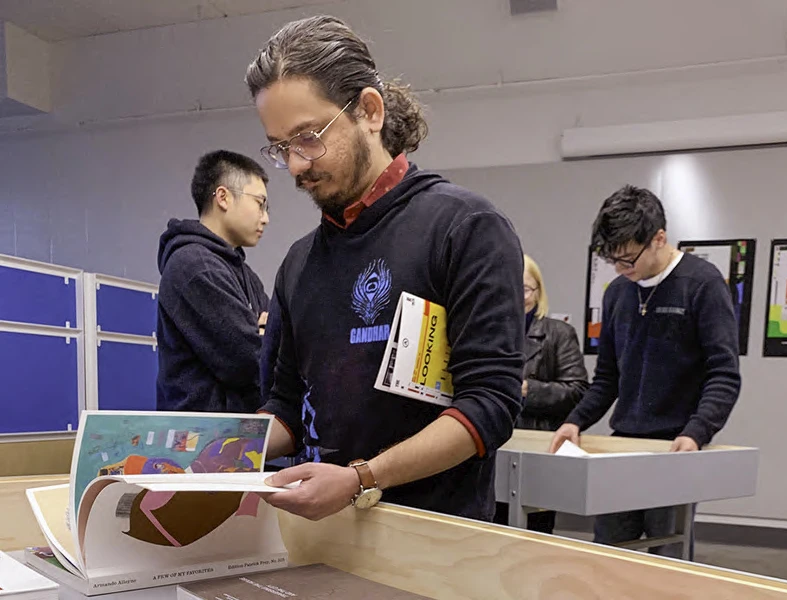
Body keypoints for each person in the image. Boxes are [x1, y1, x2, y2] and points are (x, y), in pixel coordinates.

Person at [244, 15, 525, 522]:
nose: (298, 165)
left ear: (369, 111)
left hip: (434, 540)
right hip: (322, 534)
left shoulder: (464, 227)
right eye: (281, 147)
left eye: (308, 137)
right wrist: (213, 450)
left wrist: (360, 479)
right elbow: (286, 405)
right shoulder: (299, 263)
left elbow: (490, 406)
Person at [549, 185, 741, 558]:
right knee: (609, 554)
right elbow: (607, 378)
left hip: (675, 448)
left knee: (668, 560)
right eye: (613, 261)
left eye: (628, 259)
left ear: (659, 238)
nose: (621, 269)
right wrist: (575, 421)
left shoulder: (702, 284)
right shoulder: (618, 293)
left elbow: (724, 373)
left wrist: (696, 432)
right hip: (624, 447)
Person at [156, 150, 271, 413]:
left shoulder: (242, 272)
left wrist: (263, 333)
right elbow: (251, 361)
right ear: (223, 197)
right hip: (202, 442)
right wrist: (262, 333)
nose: (265, 217)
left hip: (238, 437)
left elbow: (276, 346)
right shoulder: (194, 267)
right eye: (259, 203)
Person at [495, 254, 588, 533]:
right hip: (494, 444)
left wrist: (526, 390)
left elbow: (577, 389)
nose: (518, 295)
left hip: (536, 448)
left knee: (534, 531)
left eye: (525, 288)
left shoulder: (558, 333)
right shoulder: (490, 330)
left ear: (538, 291)